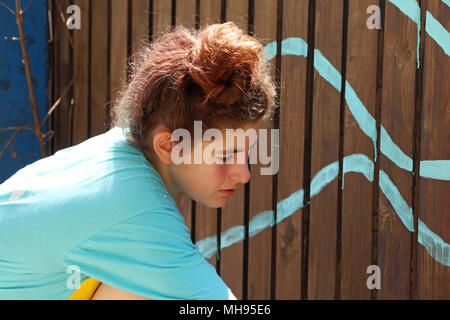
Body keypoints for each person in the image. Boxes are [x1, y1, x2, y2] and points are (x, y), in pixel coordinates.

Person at [0, 22, 276, 300]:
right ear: (168, 146)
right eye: (226, 155)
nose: (244, 174)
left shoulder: (118, 149)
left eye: (247, 153)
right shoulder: (134, 208)